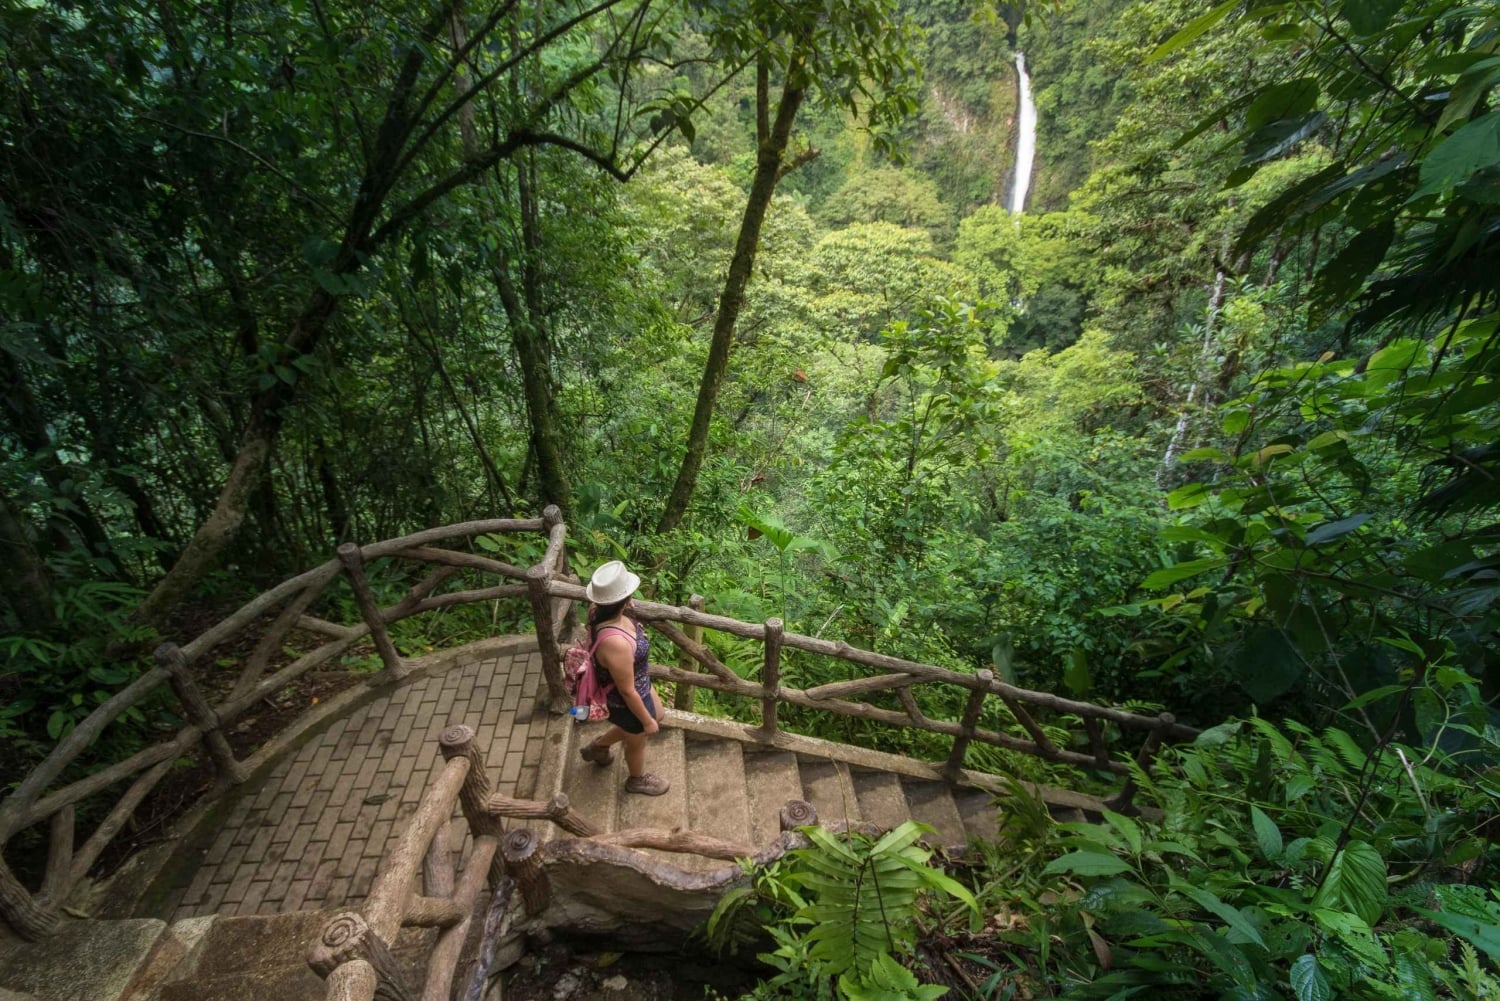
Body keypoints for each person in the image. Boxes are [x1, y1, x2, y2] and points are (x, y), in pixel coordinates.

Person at [577, 560, 669, 795]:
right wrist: (645, 722)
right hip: (626, 698)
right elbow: (627, 690)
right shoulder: (615, 643)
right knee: (637, 739)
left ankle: (598, 746)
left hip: (639, 684)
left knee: (658, 714)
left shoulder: (598, 612)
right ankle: (636, 779)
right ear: (626, 598)